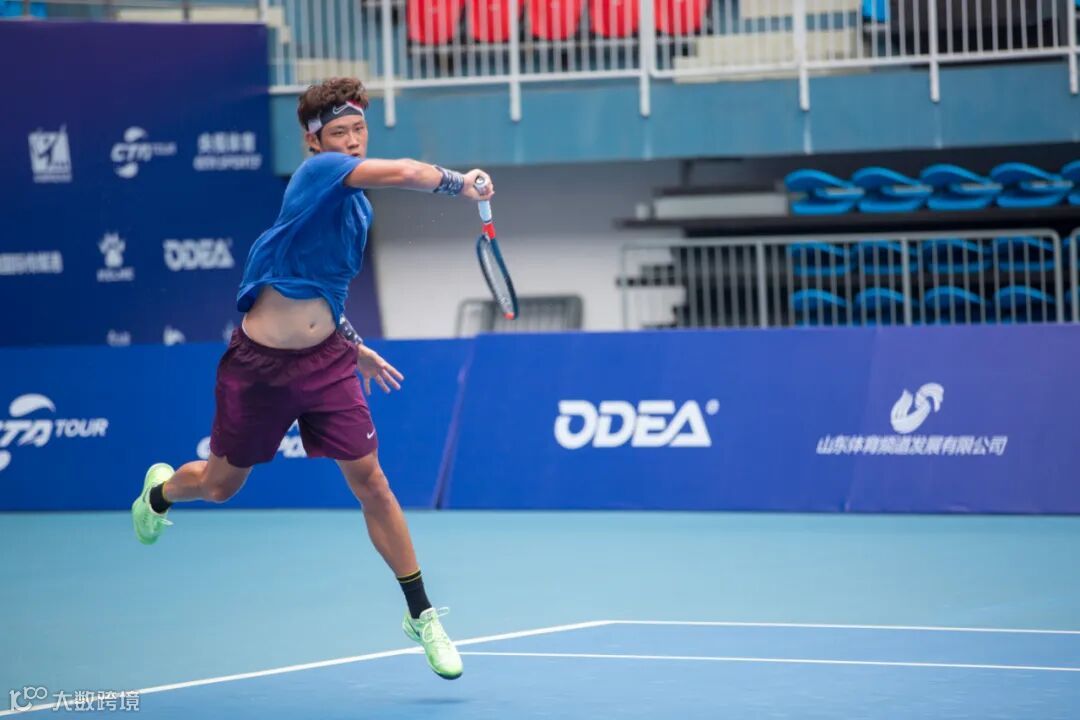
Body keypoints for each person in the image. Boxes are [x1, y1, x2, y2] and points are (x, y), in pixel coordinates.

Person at [130, 76, 494, 681]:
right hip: (258, 369)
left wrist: (355, 346)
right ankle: (160, 493)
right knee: (220, 487)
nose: (351, 141)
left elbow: (325, 292)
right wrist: (463, 183)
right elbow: (408, 172)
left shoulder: (357, 213)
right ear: (314, 141)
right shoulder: (317, 174)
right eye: (339, 132)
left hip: (327, 362)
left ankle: (421, 613)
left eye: (359, 130)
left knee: (372, 482)